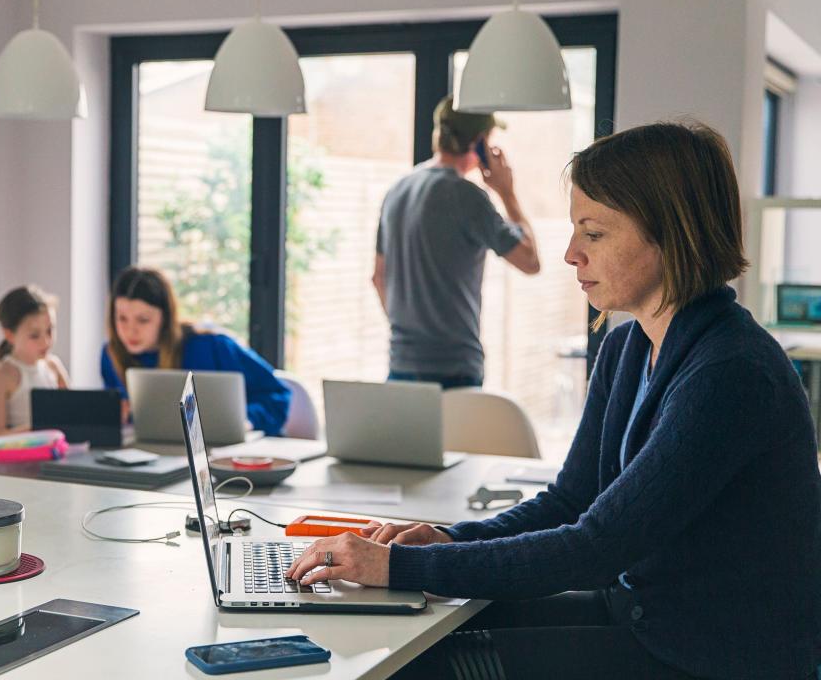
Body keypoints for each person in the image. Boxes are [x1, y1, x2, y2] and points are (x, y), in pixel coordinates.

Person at [288, 121, 821, 680]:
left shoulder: (731, 372)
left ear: (670, 233)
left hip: (710, 658)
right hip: (644, 620)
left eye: (593, 233)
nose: (570, 254)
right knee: (415, 633)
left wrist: (400, 565)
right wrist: (448, 537)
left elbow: (594, 547)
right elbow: (571, 503)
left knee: (424, 666)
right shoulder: (628, 346)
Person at [372, 95, 541, 389]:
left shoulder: (396, 191)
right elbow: (529, 260)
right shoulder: (466, 196)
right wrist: (507, 192)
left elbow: (378, 278)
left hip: (399, 366)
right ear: (479, 143)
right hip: (455, 372)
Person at [100, 266, 291, 436]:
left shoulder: (212, 346)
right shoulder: (111, 355)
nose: (130, 330)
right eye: (121, 318)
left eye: (143, 320)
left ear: (165, 319)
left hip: (230, 454)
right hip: (158, 455)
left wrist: (247, 420)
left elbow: (278, 396)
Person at [0, 286, 70, 435]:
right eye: (34, 335)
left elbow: (74, 413)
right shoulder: (1, 376)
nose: (46, 341)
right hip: (20, 455)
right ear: (9, 335)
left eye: (50, 330)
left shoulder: (54, 366)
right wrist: (38, 429)